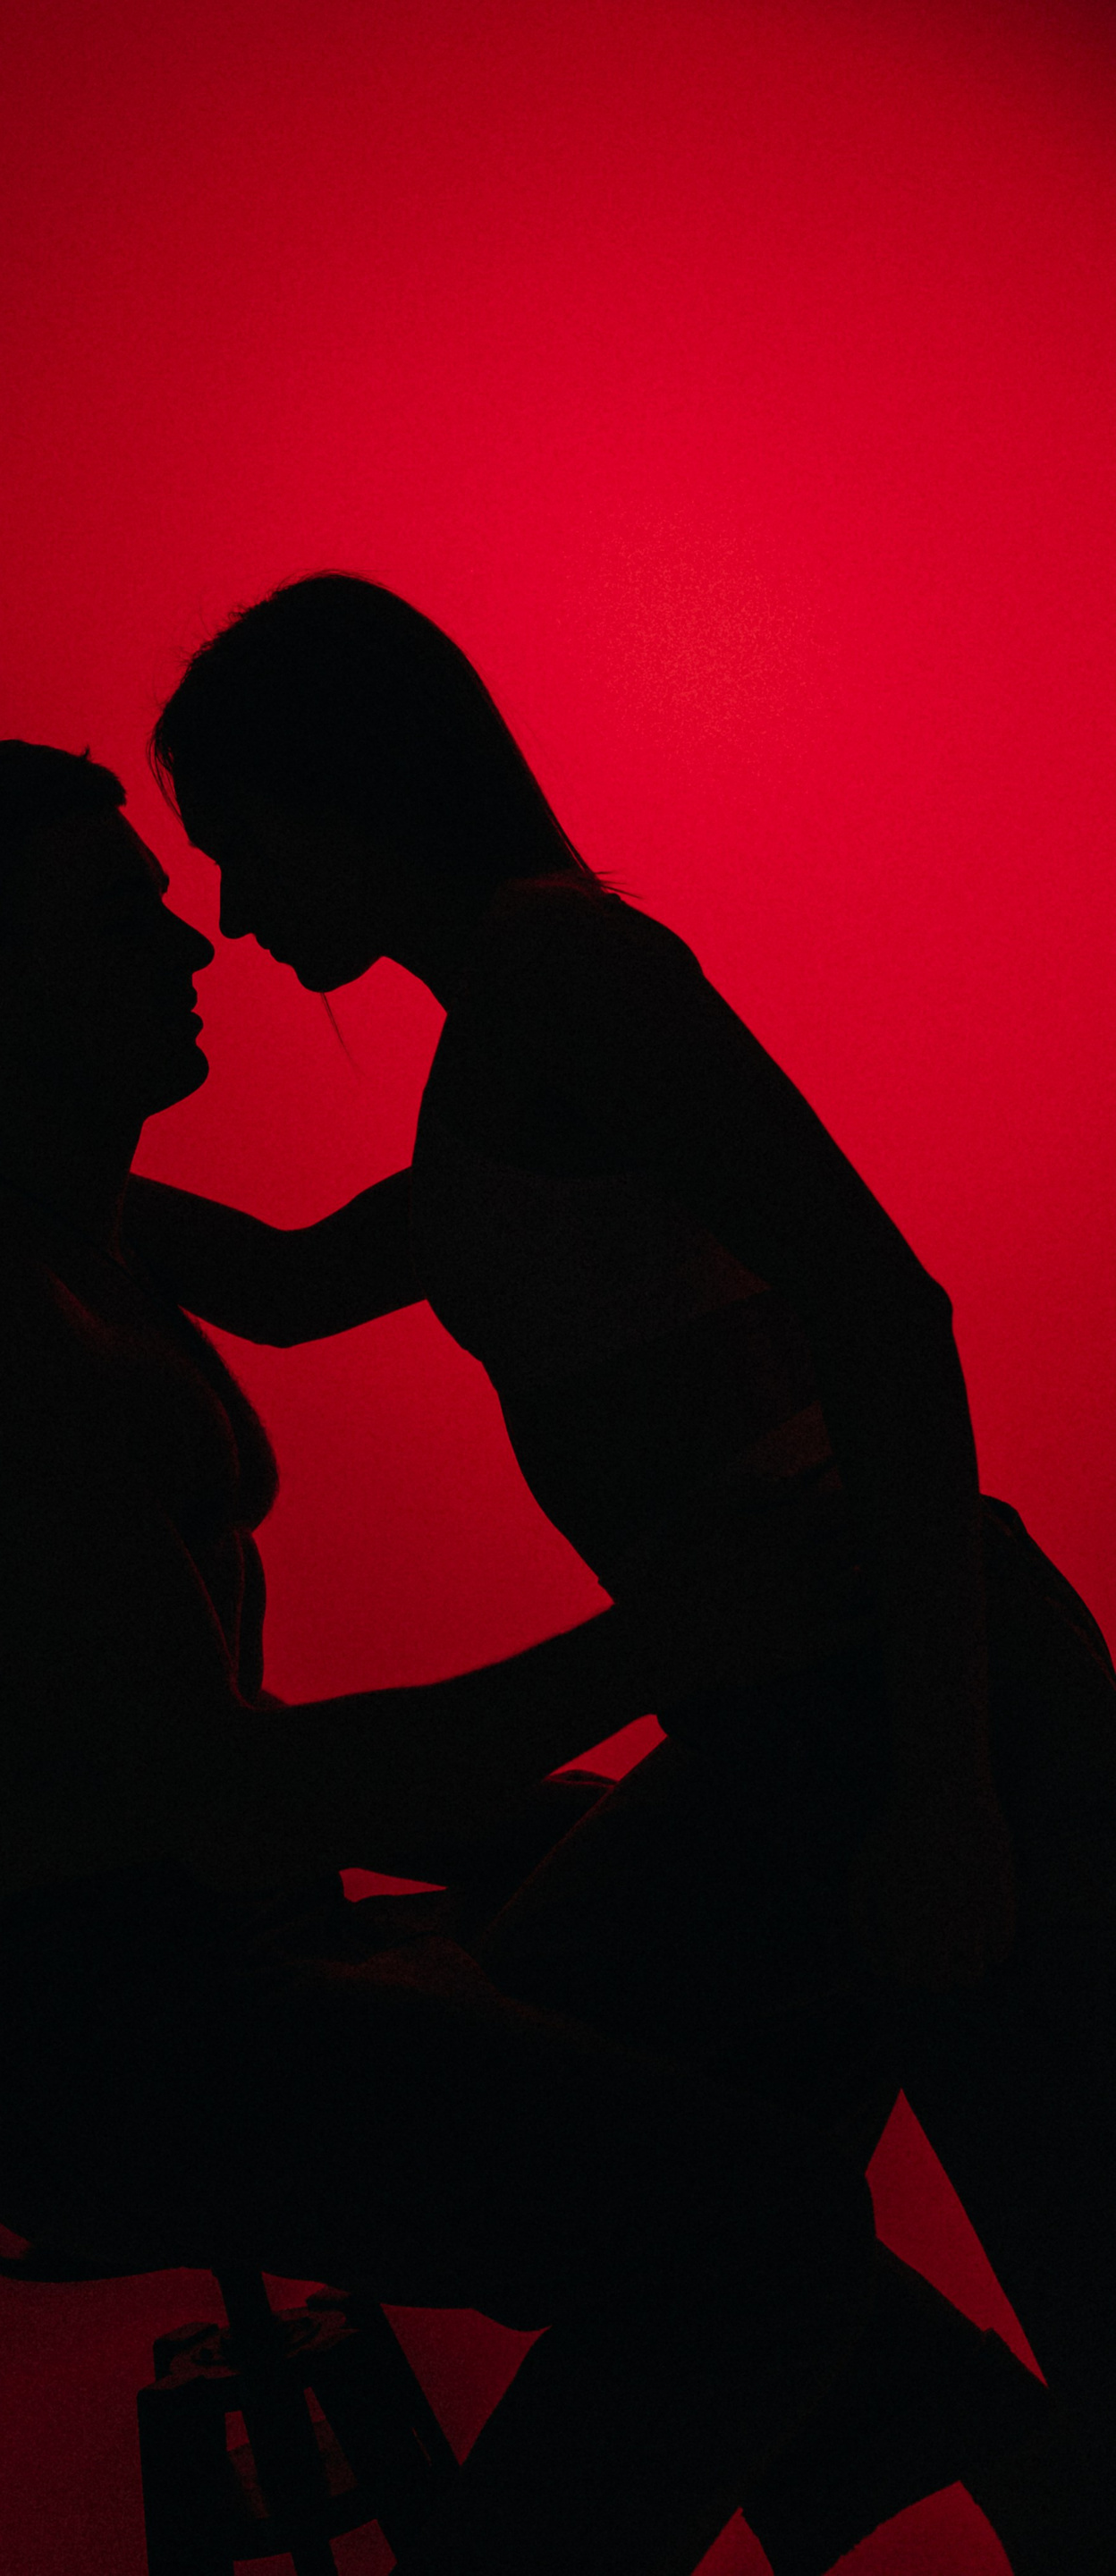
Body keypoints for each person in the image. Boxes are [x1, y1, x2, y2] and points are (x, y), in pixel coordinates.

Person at [0, 741, 1053, 2576]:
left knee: (785, 1851)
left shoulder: (89, 1259)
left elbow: (299, 1315)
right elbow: (229, 1799)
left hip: (233, 1963)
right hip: (121, 2042)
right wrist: (659, 1645)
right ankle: (967, 2434)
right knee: (759, 2228)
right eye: (125, 918)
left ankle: (963, 2435)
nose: (195, 949)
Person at [92, 572, 1112, 2563]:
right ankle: (974, 2443)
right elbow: (295, 1284)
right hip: (788, 1721)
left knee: (1043, 2227)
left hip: (913, 1686)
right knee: (612, 2111)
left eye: (238, 841)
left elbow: (883, 1310)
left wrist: (948, 1788)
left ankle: (989, 2448)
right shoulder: (508, 1026)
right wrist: (27, 1176)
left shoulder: (566, 976)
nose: (229, 908)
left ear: (345, 791)